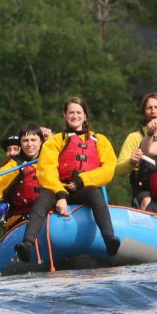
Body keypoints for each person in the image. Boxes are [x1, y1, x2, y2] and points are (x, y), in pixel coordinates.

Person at [14, 97, 121, 261]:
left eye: (79, 112)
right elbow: (46, 169)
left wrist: (82, 180)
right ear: (65, 115)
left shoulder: (101, 141)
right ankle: (27, 244)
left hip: (84, 188)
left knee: (94, 193)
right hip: (59, 188)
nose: (75, 116)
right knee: (42, 198)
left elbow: (108, 169)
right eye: (71, 112)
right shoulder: (55, 141)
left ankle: (110, 239)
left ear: (85, 115)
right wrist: (61, 195)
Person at [0, 124, 45, 228]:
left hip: (48, 214)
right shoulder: (13, 166)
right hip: (22, 219)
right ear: (21, 144)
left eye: (33, 140)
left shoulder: (50, 158)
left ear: (40, 141)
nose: (29, 144)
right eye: (25, 141)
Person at [115, 93, 157, 207]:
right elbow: (119, 170)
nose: (153, 111)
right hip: (144, 189)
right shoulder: (134, 137)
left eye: (156, 107)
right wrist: (131, 161)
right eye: (149, 108)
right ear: (144, 113)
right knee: (147, 202)